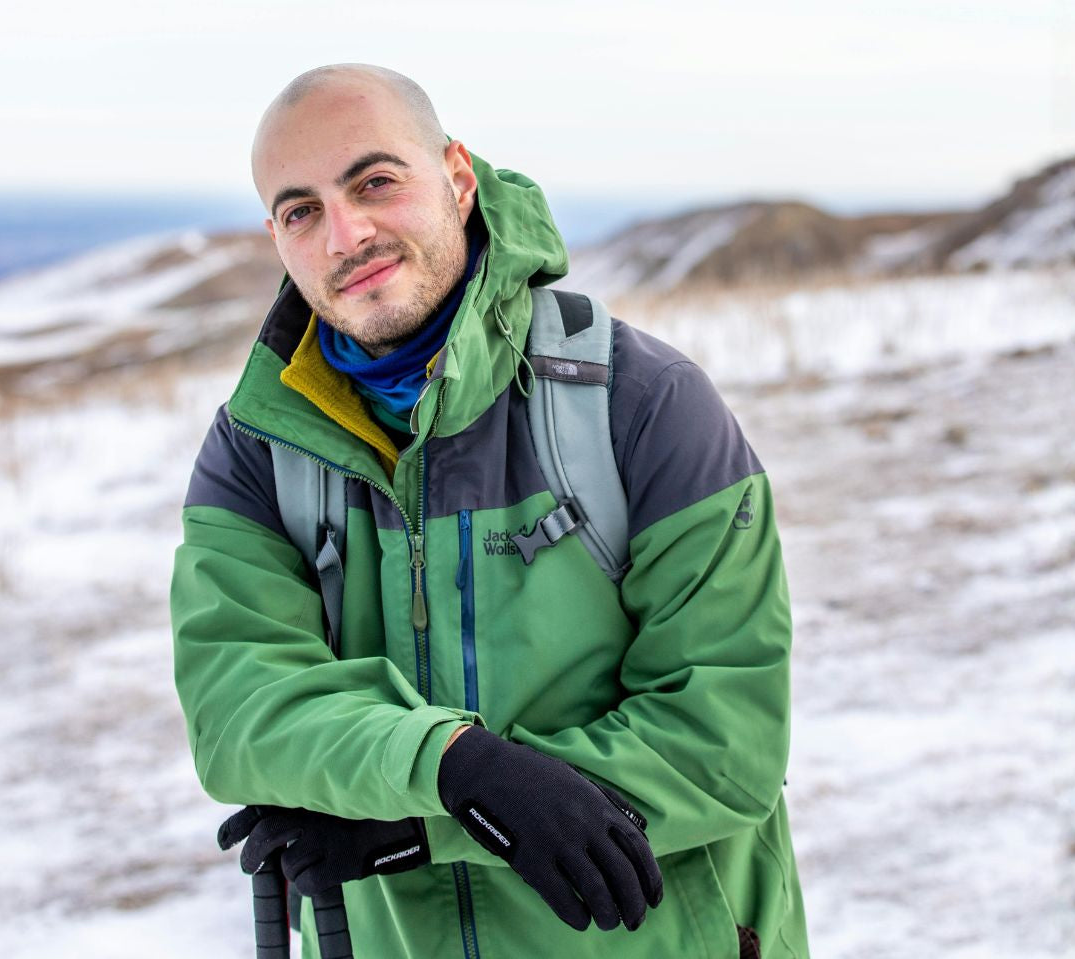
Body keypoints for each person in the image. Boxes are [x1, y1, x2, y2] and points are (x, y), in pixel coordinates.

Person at [170, 62, 809, 959]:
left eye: (374, 182)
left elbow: (722, 738)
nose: (346, 234)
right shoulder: (258, 446)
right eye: (301, 210)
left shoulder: (638, 403)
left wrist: (429, 818)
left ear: (458, 178)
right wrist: (455, 766)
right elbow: (241, 707)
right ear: (277, 238)